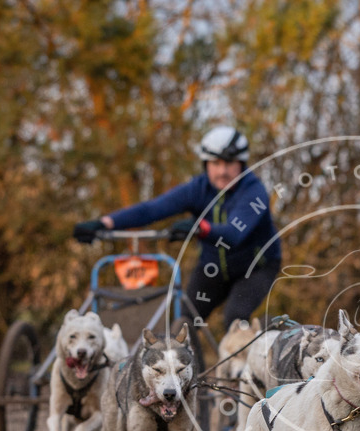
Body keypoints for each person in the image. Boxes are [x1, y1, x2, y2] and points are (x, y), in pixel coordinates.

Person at [73, 126, 281, 330]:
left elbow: (234, 234)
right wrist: (105, 223)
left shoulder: (254, 193)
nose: (222, 171)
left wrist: (200, 228)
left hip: (255, 269)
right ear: (205, 164)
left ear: (241, 164)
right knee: (180, 322)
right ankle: (188, 364)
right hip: (213, 268)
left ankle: (246, 362)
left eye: (229, 163)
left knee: (235, 318)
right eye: (215, 163)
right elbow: (152, 210)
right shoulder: (197, 189)